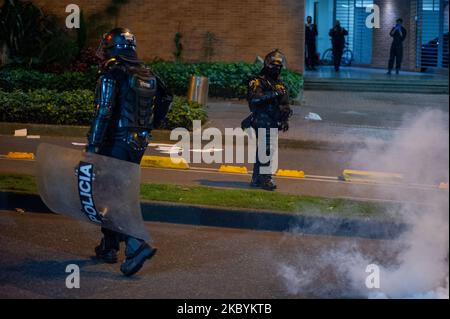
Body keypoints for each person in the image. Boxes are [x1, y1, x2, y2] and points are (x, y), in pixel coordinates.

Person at [87, 27, 173, 276]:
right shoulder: (146, 71)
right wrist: (152, 124)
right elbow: (167, 98)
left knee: (107, 195)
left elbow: (103, 111)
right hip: (138, 143)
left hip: (114, 142)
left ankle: (135, 246)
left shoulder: (112, 71)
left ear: (113, 46)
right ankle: (109, 245)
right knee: (117, 190)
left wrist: (92, 146)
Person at [243, 50, 292, 191]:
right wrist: (274, 94)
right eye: (274, 66)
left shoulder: (281, 84)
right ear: (267, 65)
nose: (277, 69)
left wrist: (285, 119)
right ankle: (265, 178)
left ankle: (257, 179)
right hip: (261, 118)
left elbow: (285, 104)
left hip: (274, 120)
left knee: (266, 149)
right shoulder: (257, 81)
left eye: (279, 66)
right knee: (267, 148)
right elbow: (255, 99)